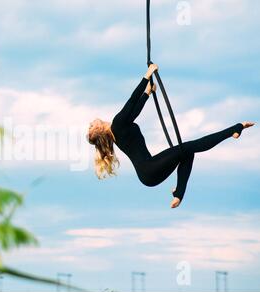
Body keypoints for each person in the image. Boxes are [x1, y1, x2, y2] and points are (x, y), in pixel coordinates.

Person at [87, 63, 255, 208]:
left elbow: (134, 111)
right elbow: (131, 101)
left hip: (149, 174)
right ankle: (235, 129)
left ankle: (178, 193)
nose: (91, 123)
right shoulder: (117, 124)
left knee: (188, 152)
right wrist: (147, 75)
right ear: (99, 129)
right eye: (91, 126)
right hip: (149, 168)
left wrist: (148, 93)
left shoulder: (119, 130)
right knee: (189, 147)